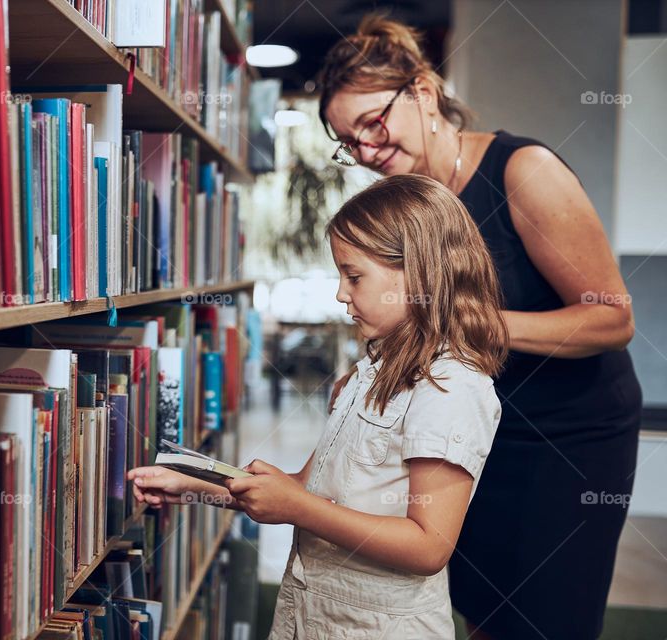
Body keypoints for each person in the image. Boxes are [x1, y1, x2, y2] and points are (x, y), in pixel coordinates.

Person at [318, 14, 642, 640]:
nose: (365, 150)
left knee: (545, 618)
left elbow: (612, 318)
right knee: (479, 604)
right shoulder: (411, 203)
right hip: (468, 428)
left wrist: (470, 323)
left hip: (566, 437)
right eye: (348, 141)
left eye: (372, 123)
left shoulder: (524, 171)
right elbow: (412, 320)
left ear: (422, 91)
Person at [129, 174, 509, 638]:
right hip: (312, 616)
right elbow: (306, 491)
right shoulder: (371, 371)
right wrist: (195, 486)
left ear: (420, 274)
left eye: (354, 276)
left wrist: (298, 508)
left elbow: (429, 545)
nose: (341, 293)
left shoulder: (450, 386)